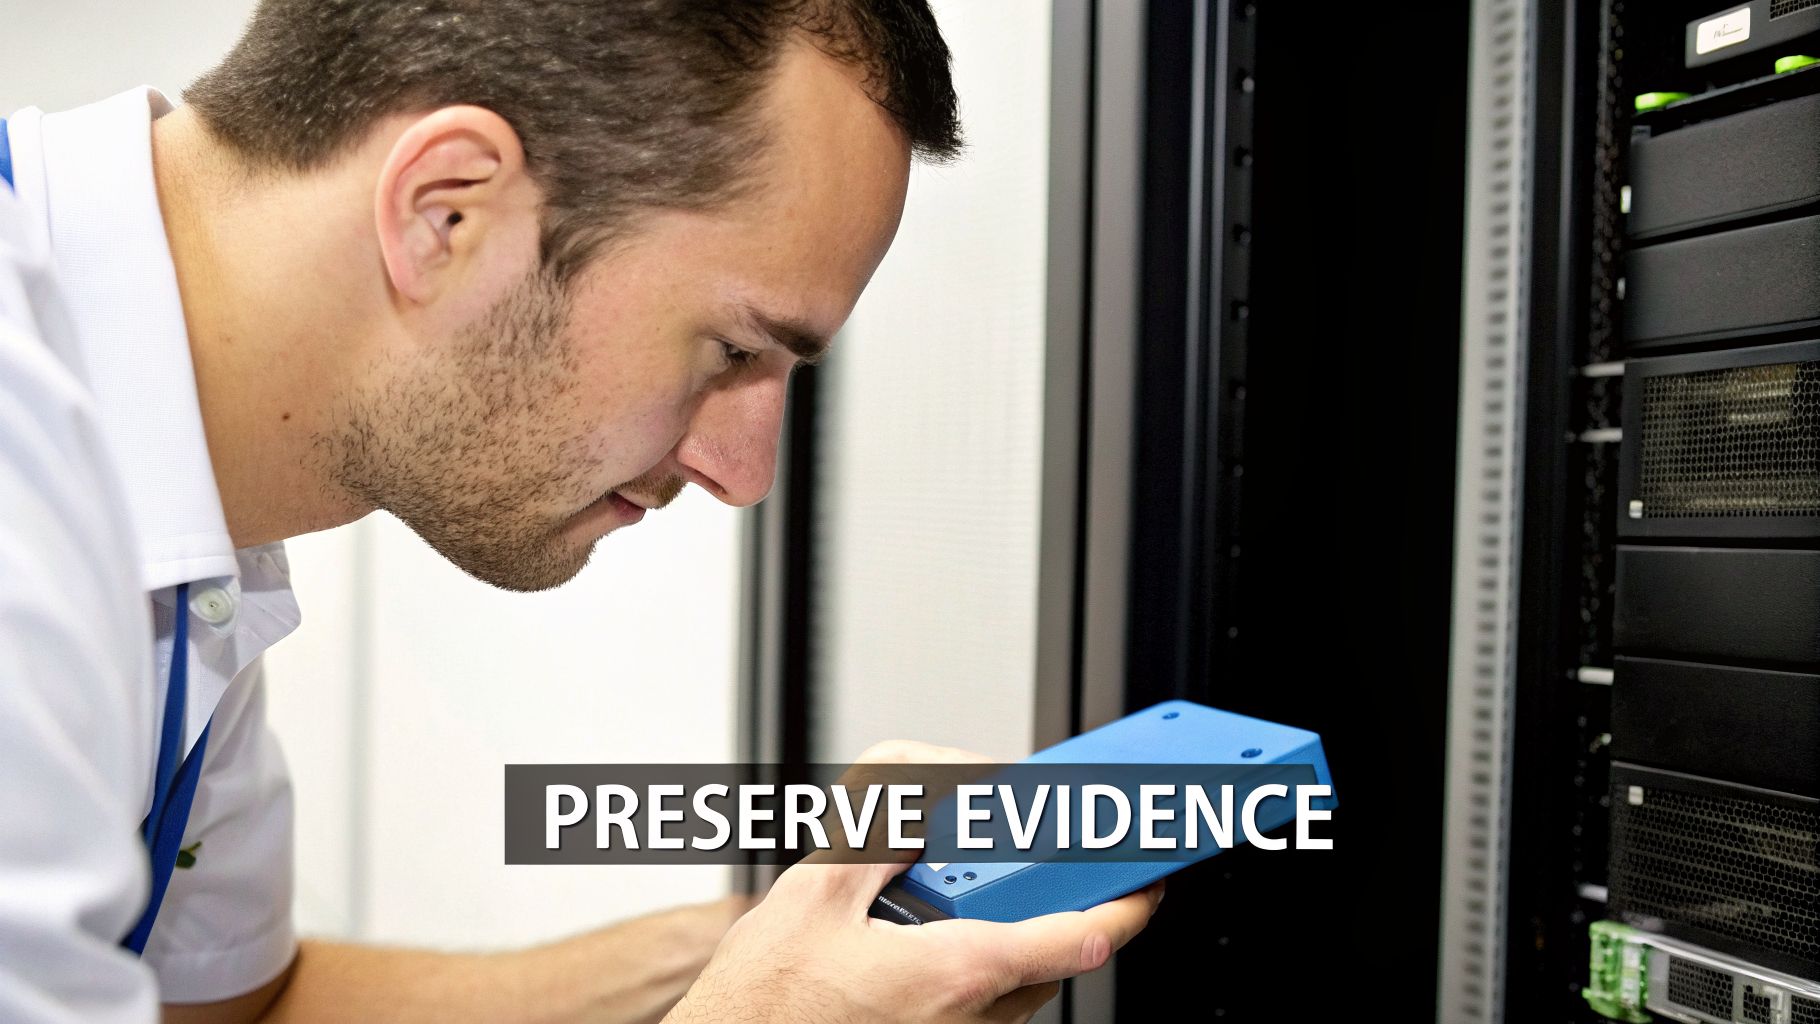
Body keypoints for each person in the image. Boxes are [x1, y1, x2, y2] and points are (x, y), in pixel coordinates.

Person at [0, 1, 1161, 1022]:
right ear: (445, 212)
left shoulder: (163, 494)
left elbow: (238, 1007)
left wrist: (789, 944)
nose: (742, 472)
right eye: (732, 347)